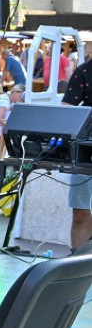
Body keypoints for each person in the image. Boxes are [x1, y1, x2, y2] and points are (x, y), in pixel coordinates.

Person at [62, 57, 92, 248]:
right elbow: (67, 107)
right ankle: (77, 267)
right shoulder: (84, 71)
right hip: (85, 148)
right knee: (80, 212)